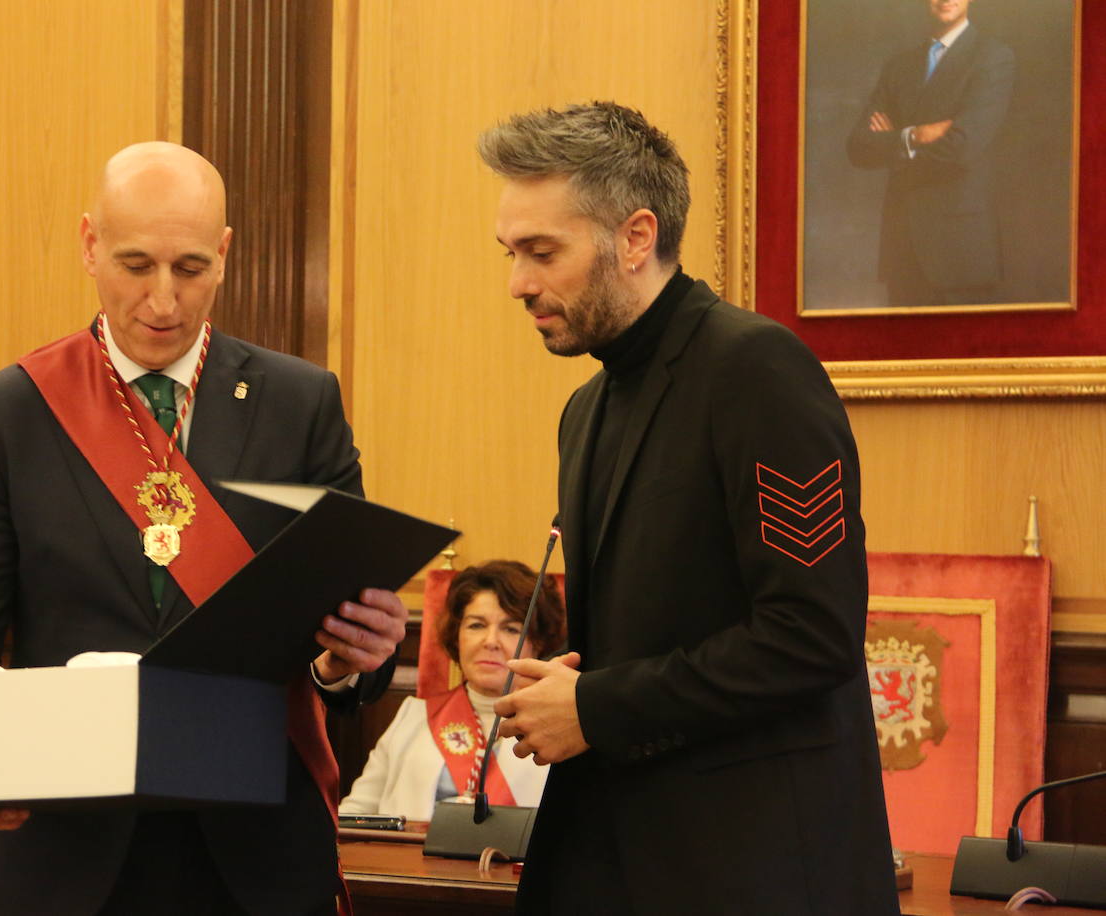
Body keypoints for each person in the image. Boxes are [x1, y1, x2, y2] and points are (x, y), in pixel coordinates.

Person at [0, 142, 408, 916]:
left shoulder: (300, 402)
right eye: (136, 265)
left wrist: (355, 659)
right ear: (89, 244)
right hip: (66, 853)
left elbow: (346, 656)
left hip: (257, 856)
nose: (164, 301)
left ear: (226, 255)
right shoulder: (10, 413)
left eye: (191, 268)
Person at [479, 102, 898, 914]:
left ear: (636, 238)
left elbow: (813, 637)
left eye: (542, 252)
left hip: (753, 873)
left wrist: (595, 706)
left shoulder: (757, 370)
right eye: (511, 253)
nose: (519, 282)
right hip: (614, 864)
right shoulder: (587, 408)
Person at [340, 560, 565, 821]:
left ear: (538, 644)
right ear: (456, 636)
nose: (490, 641)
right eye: (476, 625)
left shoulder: (557, 727)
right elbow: (354, 816)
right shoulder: (414, 716)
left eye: (511, 628)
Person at [846, 0, 1014, 307]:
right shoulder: (899, 66)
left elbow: (962, 146)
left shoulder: (993, 57)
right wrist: (915, 135)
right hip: (904, 247)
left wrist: (894, 141)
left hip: (962, 251)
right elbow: (858, 147)